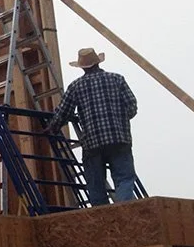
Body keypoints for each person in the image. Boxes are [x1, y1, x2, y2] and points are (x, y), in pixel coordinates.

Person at [45, 47, 137, 206]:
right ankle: (127, 210)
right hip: (119, 139)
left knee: (96, 186)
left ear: (82, 67)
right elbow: (132, 107)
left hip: (92, 144)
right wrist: (118, 120)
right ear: (98, 63)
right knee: (124, 179)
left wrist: (52, 127)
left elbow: (63, 112)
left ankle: (101, 217)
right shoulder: (117, 79)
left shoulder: (76, 86)